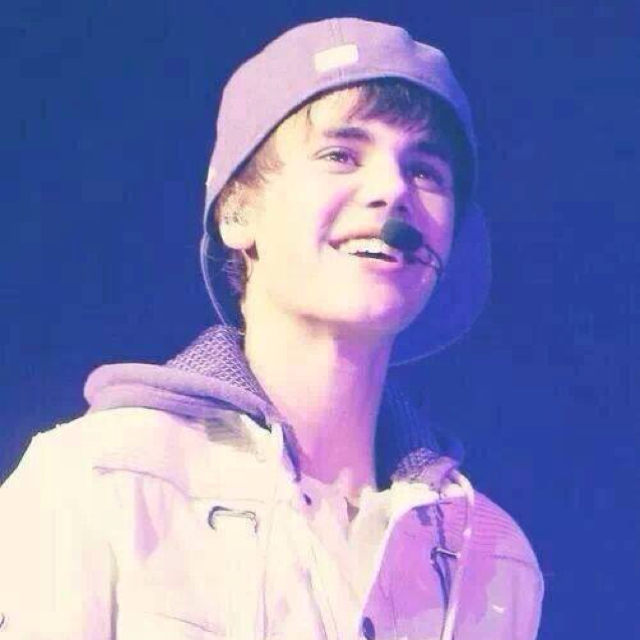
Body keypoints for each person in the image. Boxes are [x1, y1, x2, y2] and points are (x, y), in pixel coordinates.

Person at [0, 17, 543, 640]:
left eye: (426, 171)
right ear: (237, 211)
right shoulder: (100, 479)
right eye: (341, 155)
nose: (393, 190)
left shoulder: (491, 561)